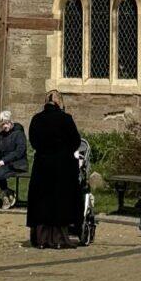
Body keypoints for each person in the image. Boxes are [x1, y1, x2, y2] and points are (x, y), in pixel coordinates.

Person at [26, 89, 85, 249]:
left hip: (42, 166)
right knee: (61, 201)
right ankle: (59, 239)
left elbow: (33, 141)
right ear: (59, 103)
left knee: (42, 201)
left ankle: (42, 239)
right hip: (62, 167)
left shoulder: (36, 119)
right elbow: (75, 141)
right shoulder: (65, 119)